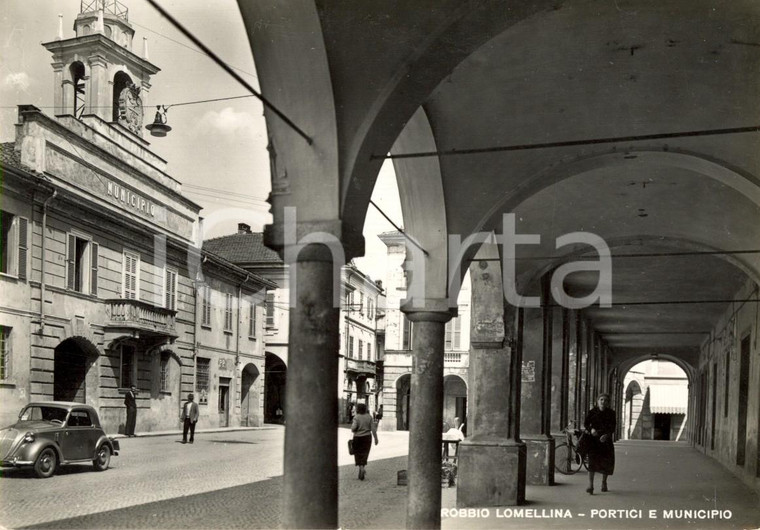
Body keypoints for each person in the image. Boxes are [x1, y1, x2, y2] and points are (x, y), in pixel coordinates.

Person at [583, 393, 616, 494]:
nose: (603, 402)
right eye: (601, 400)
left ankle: (604, 482)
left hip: (606, 440)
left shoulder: (611, 413)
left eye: (605, 400)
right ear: (597, 401)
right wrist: (591, 429)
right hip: (593, 440)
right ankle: (590, 485)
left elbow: (613, 427)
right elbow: (586, 424)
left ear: (608, 403)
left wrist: (606, 435)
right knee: (592, 462)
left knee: (606, 462)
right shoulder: (592, 412)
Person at [351, 402, 378, 480]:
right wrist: (376, 438)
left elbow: (353, 428)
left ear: (358, 409)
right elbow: (373, 429)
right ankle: (362, 467)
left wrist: (354, 429)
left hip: (357, 438)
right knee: (365, 453)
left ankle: (361, 467)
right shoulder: (369, 417)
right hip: (367, 437)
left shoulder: (356, 417)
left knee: (358, 453)